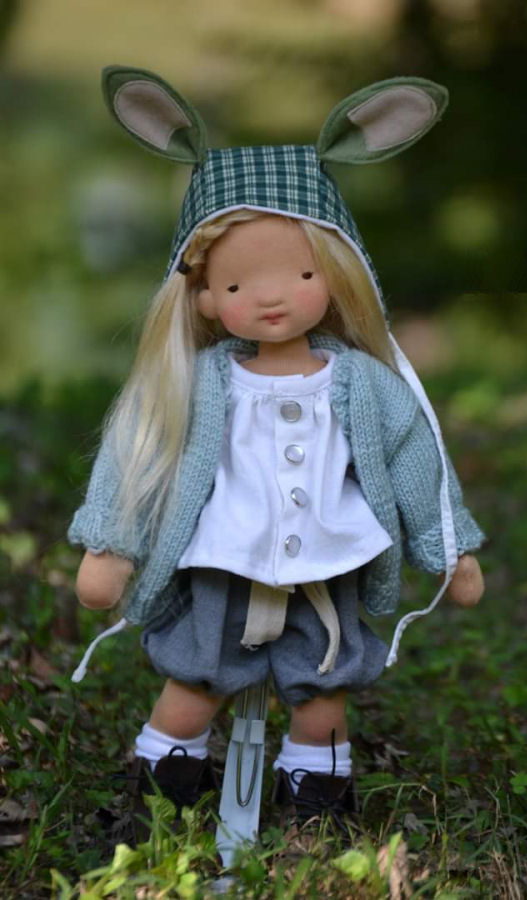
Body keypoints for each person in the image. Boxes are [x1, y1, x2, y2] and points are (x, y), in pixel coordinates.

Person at [68, 67, 485, 833]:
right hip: (221, 567)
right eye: (237, 285)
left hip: (327, 571)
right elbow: (136, 455)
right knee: (195, 680)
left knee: (324, 691)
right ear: (201, 296)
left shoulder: (363, 383)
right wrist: (112, 543)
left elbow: (413, 458)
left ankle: (315, 802)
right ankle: (164, 788)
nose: (270, 297)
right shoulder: (190, 384)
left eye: (299, 273)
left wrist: (447, 545)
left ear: (337, 274)